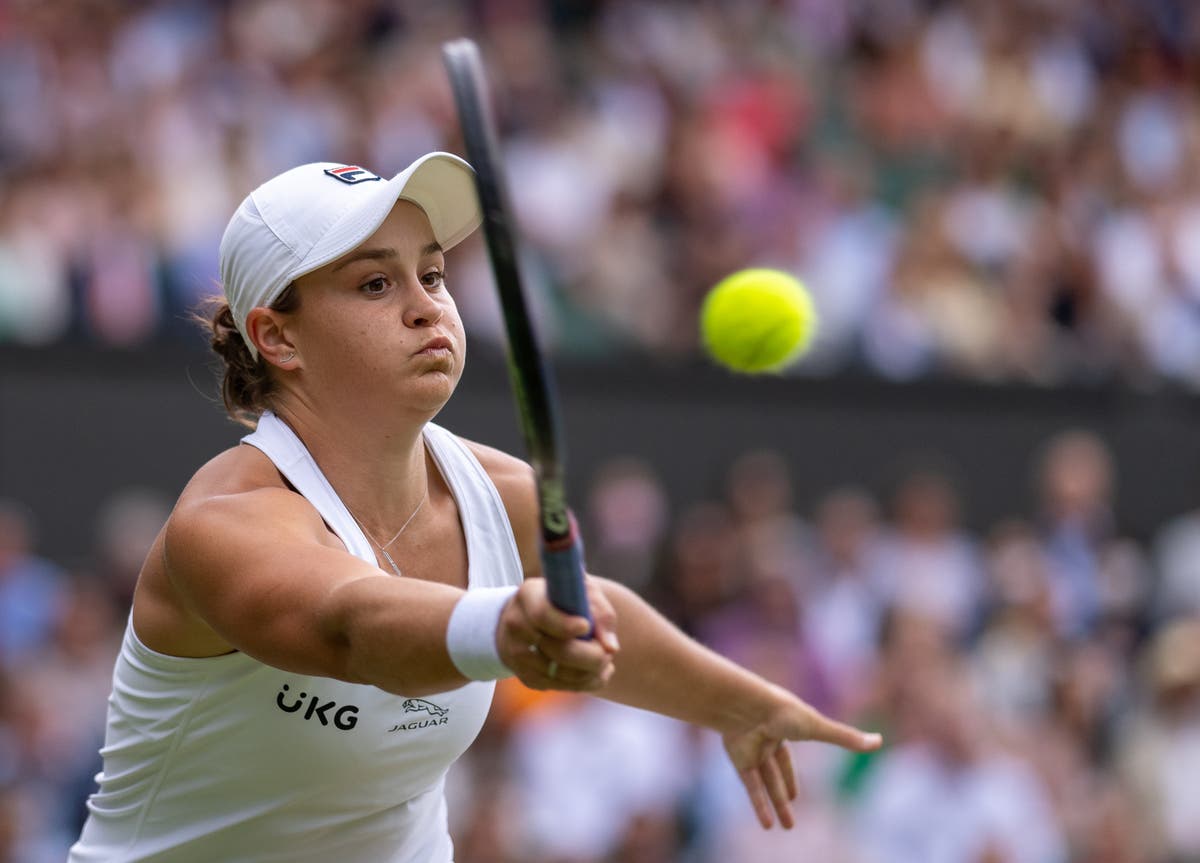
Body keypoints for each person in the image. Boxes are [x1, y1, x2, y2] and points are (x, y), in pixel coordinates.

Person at [68, 152, 881, 862]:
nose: (426, 305)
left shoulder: (509, 496)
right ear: (276, 337)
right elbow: (352, 625)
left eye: (433, 273)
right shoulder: (223, 524)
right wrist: (499, 629)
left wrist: (735, 704)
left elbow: (589, 621)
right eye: (376, 282)